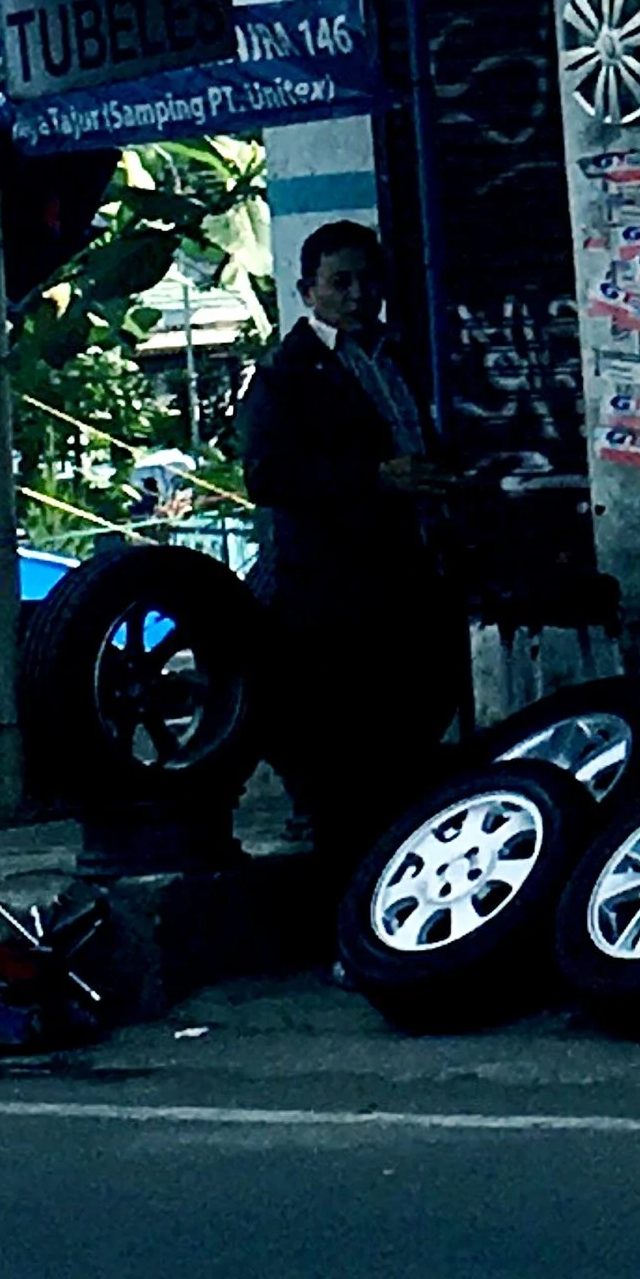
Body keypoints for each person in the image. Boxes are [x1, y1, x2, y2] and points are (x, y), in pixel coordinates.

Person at [236, 221, 456, 860]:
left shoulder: (393, 357)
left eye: (368, 280)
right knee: (349, 754)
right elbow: (266, 475)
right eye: (341, 283)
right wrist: (373, 477)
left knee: (410, 736)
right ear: (310, 292)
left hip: (408, 570)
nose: (358, 295)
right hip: (333, 586)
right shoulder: (286, 372)